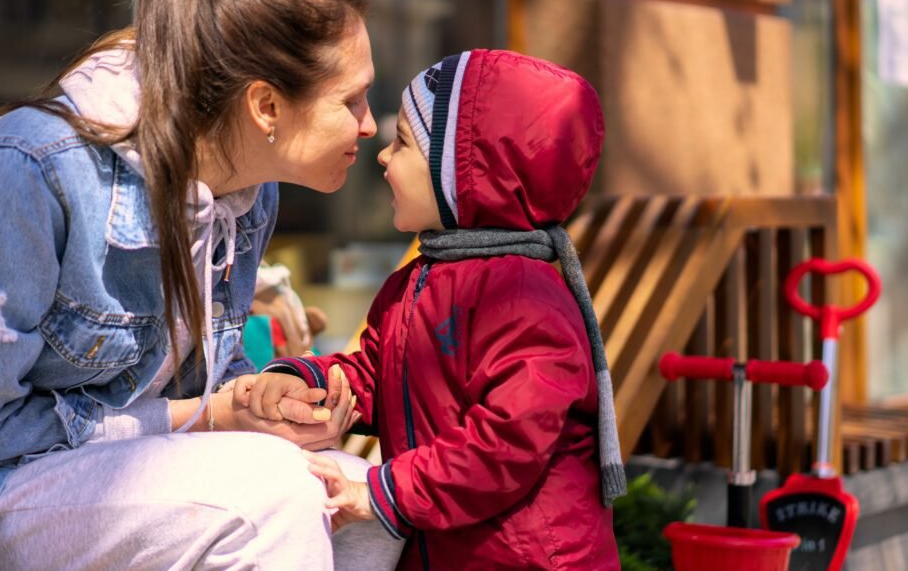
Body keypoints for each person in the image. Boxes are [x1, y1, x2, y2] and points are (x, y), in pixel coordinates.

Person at [0, 0, 404, 570]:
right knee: (273, 493)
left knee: (355, 494)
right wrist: (207, 415)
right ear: (266, 106)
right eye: (352, 99)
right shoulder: (26, 172)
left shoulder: (245, 197)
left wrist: (258, 402)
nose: (368, 124)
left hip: (94, 475)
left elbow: (192, 388)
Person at [249, 50, 627, 569]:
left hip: (529, 558)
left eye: (402, 142)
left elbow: (508, 441)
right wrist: (307, 379)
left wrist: (388, 492)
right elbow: (379, 376)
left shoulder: (522, 295)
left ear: (463, 172)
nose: (382, 155)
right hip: (452, 547)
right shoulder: (418, 280)